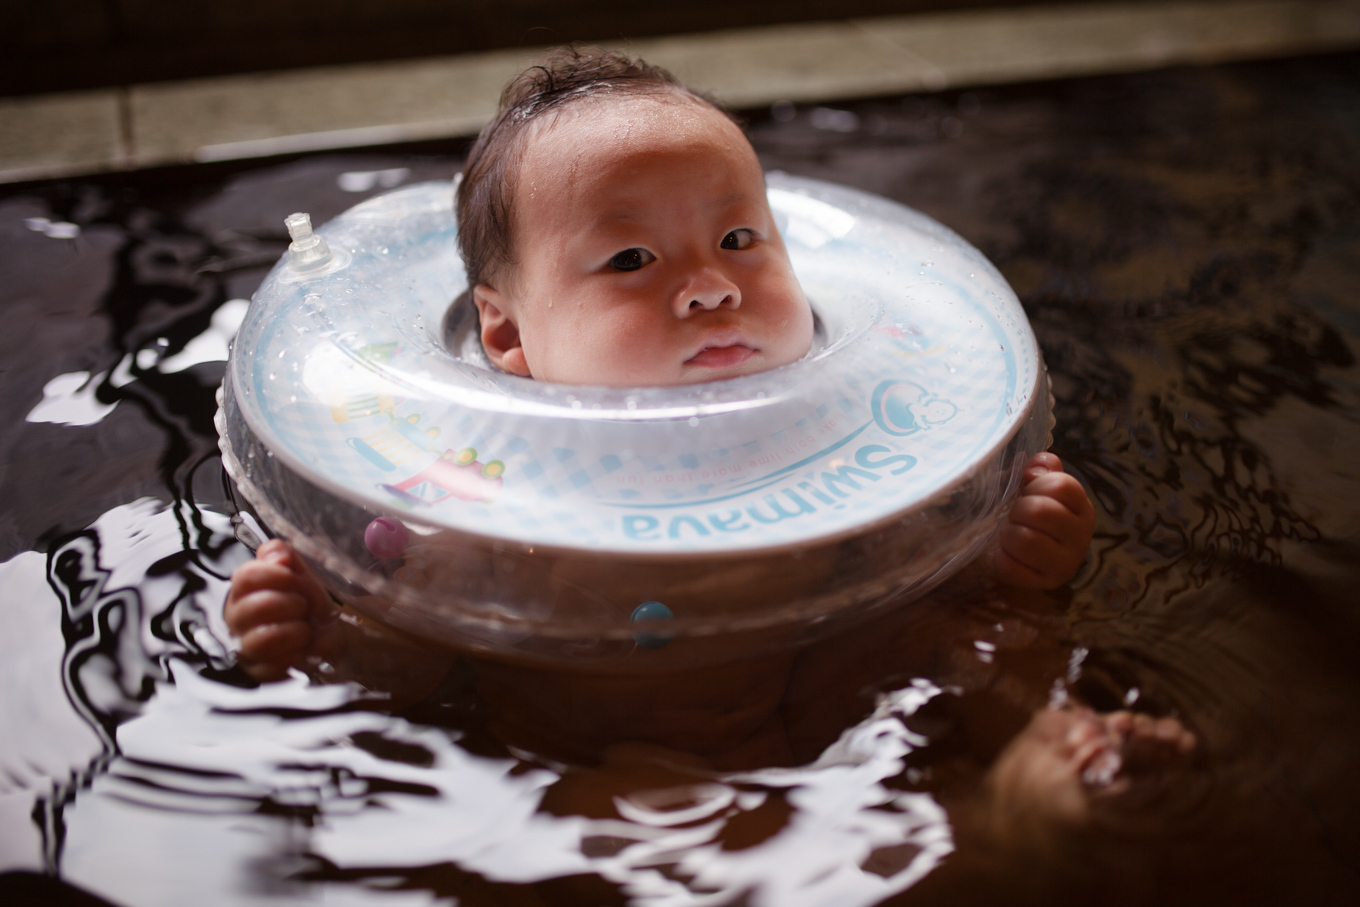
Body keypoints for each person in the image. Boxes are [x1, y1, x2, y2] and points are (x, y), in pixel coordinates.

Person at [224, 47, 1192, 863]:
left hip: (847, 683)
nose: (708, 288)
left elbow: (931, 585)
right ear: (508, 338)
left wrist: (1010, 559)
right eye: (632, 260)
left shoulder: (860, 440)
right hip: (637, 758)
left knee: (987, 644)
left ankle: (1063, 754)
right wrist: (330, 635)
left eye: (737, 238)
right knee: (636, 804)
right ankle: (993, 832)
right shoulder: (480, 507)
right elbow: (419, 659)